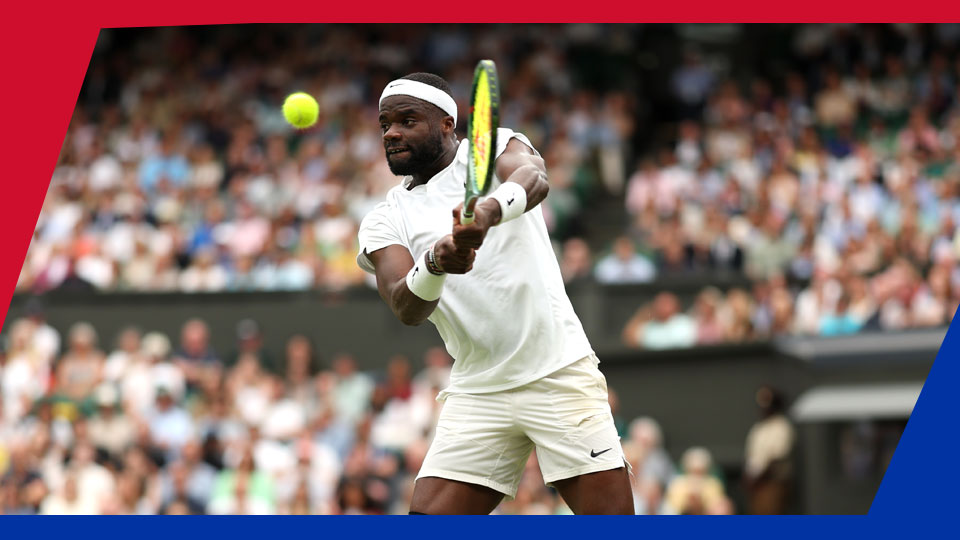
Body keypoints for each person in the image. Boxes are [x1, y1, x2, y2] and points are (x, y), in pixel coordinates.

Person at [356, 72, 632, 514]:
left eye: (408, 120)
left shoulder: (496, 145)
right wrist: (435, 263)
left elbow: (534, 178)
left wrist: (485, 213)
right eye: (385, 123)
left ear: (447, 124)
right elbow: (405, 306)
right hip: (478, 389)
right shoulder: (384, 218)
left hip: (557, 371)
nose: (391, 132)